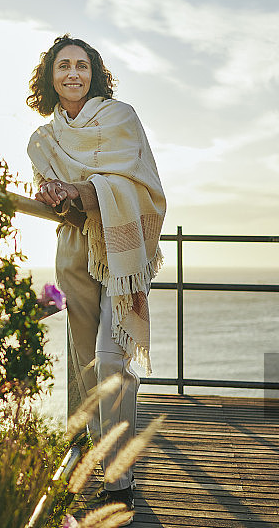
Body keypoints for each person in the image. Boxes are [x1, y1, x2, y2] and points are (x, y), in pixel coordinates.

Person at [26, 34, 166, 520]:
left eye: (81, 66)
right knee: (90, 362)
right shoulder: (42, 140)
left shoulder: (120, 117)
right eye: (62, 66)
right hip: (76, 251)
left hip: (121, 248)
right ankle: (97, 446)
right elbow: (47, 188)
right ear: (50, 77)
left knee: (112, 356)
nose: (73, 74)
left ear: (94, 72)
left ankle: (118, 477)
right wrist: (50, 191)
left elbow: (138, 181)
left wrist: (81, 190)